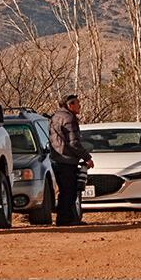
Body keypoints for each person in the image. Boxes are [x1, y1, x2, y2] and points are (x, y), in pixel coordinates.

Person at [49, 94, 93, 226]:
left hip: (57, 159)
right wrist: (87, 157)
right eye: (78, 103)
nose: (80, 106)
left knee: (64, 191)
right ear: (70, 105)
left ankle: (65, 218)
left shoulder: (55, 117)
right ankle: (65, 219)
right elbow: (73, 143)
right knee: (70, 191)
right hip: (67, 161)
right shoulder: (69, 119)